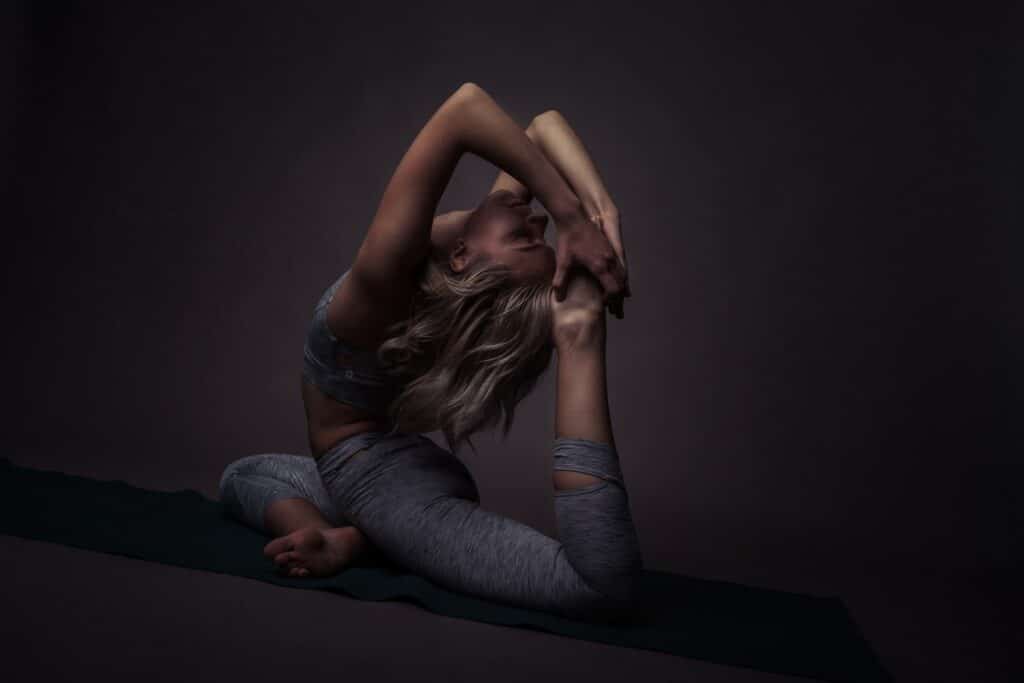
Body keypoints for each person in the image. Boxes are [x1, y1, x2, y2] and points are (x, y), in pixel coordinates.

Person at [218, 83, 641, 621]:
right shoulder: (451, 261)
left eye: (526, 237)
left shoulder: (383, 282)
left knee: (598, 586)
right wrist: (597, 213)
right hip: (403, 468)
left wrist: (579, 324)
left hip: (382, 484)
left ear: (463, 258)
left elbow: (464, 110)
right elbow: (540, 129)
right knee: (243, 475)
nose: (539, 219)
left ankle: (357, 533)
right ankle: (345, 538)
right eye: (537, 228)